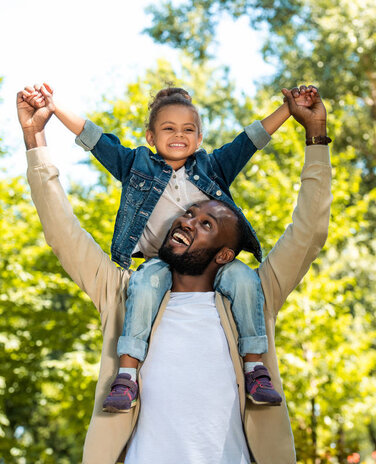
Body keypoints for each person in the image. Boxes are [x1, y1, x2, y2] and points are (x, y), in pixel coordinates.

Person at [17, 84, 332, 464]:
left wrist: (313, 133)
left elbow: (309, 227)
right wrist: (35, 138)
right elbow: (60, 228)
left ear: (226, 253)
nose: (188, 220)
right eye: (189, 213)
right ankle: (127, 378)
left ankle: (255, 369)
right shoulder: (123, 294)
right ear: (152, 136)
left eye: (208, 223)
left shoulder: (253, 295)